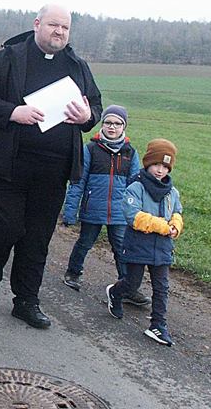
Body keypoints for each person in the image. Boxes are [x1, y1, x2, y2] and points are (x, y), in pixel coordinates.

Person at [0, 4, 102, 329]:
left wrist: (88, 117)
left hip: (53, 172)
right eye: (54, 25)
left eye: (65, 28)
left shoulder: (77, 65)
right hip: (8, 167)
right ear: (37, 24)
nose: (59, 32)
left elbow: (95, 106)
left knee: (37, 239)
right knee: (4, 228)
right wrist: (13, 112)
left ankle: (26, 300)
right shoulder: (10, 58)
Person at [62, 105, 149, 306]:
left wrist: (137, 214)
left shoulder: (130, 153)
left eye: (117, 124)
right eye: (108, 122)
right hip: (93, 208)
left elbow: (135, 187)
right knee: (85, 243)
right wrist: (70, 212)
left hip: (119, 213)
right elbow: (78, 182)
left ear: (124, 127)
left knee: (122, 248)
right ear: (102, 124)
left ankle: (127, 286)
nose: (112, 127)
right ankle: (73, 273)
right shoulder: (90, 149)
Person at [106, 139, 183, 347]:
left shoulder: (172, 192)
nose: (160, 170)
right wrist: (163, 226)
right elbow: (133, 216)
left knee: (161, 287)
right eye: (156, 164)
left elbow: (177, 211)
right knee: (132, 283)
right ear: (148, 163)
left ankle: (158, 325)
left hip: (163, 247)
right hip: (138, 244)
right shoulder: (136, 187)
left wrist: (175, 225)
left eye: (165, 166)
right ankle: (115, 292)